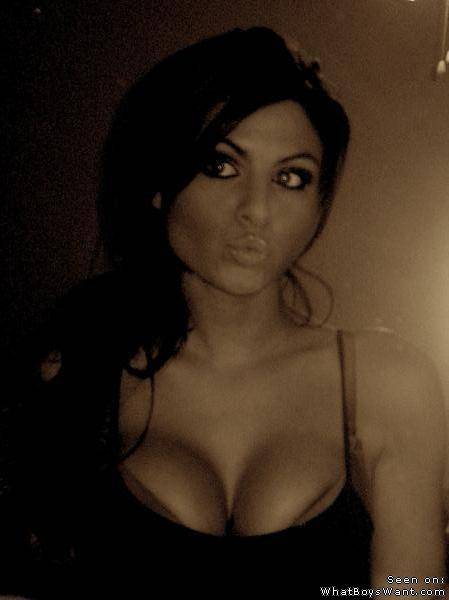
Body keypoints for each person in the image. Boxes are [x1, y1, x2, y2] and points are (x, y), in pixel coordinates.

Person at [1, 27, 446, 599]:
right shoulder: (75, 373)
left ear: (319, 205)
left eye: (291, 177)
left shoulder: (389, 385)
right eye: (221, 165)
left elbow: (414, 590)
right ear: (158, 183)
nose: (256, 210)